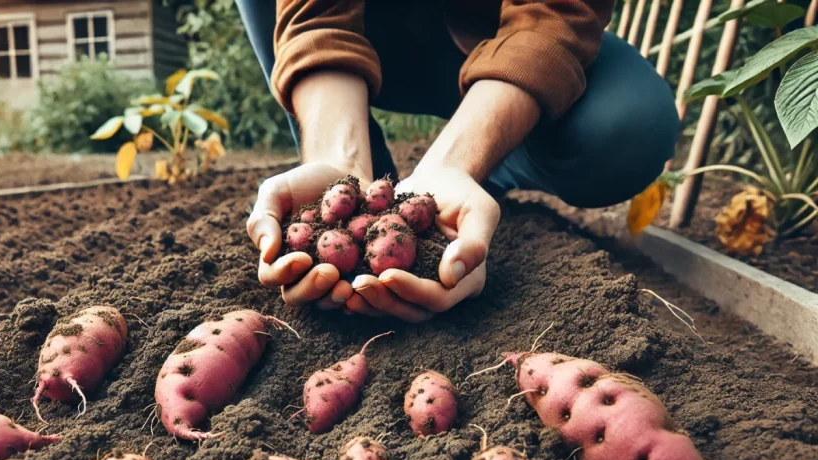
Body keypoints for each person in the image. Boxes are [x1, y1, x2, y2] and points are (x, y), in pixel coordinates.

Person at [239, 1, 680, 322]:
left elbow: (555, 12)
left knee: (632, 127)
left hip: (499, 30)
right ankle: (366, 163)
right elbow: (317, 16)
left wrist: (456, 166)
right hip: (379, 30)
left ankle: (491, 165)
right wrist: (338, 162)